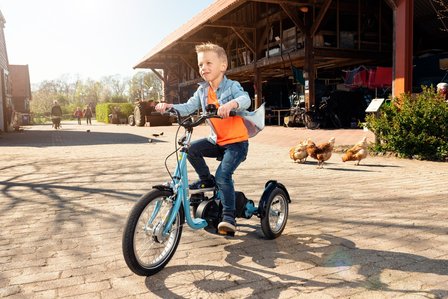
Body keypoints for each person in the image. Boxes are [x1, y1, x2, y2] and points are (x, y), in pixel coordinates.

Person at [156, 42, 264, 235]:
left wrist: (231, 104)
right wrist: (169, 106)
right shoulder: (202, 91)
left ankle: (229, 217)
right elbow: (188, 107)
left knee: (224, 175)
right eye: (200, 65)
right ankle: (206, 180)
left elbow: (245, 99)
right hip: (218, 141)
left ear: (223, 66)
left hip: (237, 143)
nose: (203, 68)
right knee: (191, 149)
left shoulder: (232, 86)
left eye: (208, 63)